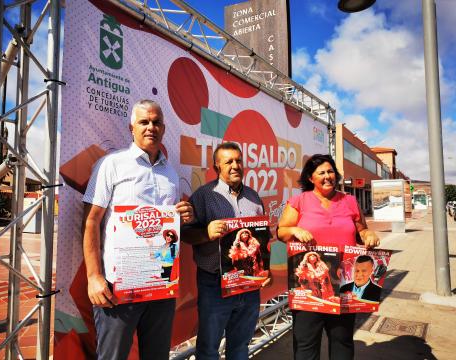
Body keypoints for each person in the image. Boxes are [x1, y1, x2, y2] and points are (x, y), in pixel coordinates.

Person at [82, 99, 194, 360]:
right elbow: (90, 222)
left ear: (164, 128)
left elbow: (169, 227)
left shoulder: (172, 174)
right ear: (131, 127)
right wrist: (94, 277)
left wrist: (183, 216)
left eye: (156, 122)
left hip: (161, 284)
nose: (150, 127)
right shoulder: (111, 164)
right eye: (144, 122)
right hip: (118, 287)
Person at [277, 153, 379, 360]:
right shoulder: (299, 201)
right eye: (321, 172)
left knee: (342, 341)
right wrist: (295, 230)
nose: (327, 176)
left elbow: (362, 232)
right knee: (306, 344)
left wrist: (368, 235)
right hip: (308, 287)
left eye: (330, 171)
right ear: (310, 178)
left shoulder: (349, 200)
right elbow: (281, 232)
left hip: (344, 284)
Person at [182, 142, 270, 360]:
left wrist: (263, 269)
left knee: (240, 346)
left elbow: (261, 239)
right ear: (217, 167)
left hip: (249, 286)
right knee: (208, 348)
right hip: (214, 284)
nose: (235, 166)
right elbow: (185, 234)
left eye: (238, 161)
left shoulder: (254, 197)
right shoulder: (203, 195)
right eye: (228, 161)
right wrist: (206, 233)